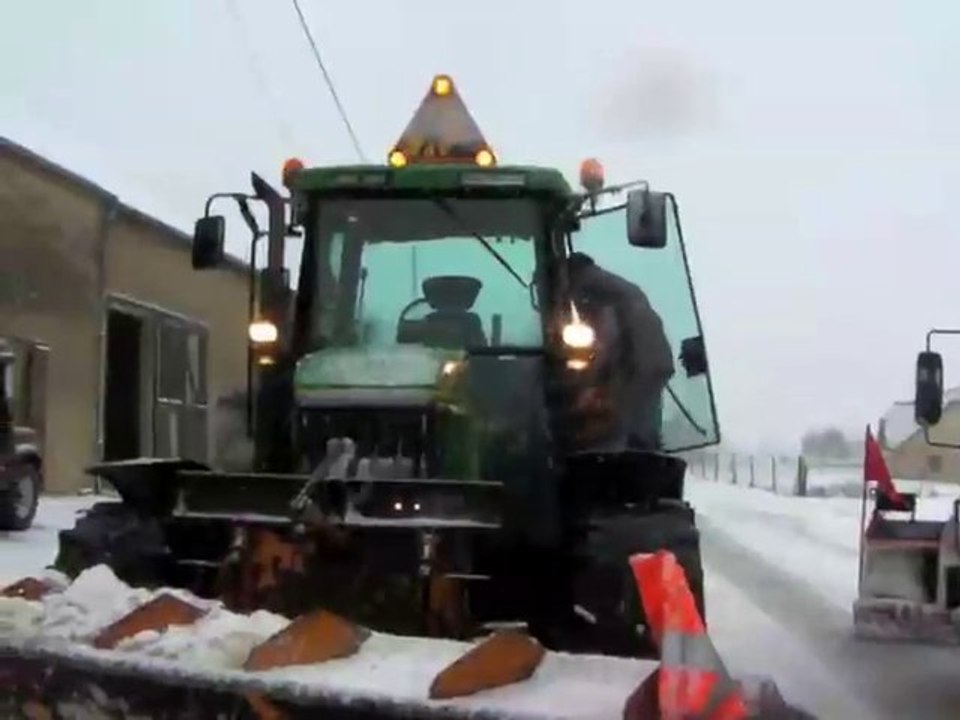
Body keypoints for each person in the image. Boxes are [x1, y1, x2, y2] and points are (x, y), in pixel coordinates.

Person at [565, 252, 674, 451]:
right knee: (641, 421)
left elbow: (608, 337)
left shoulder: (588, 286)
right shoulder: (613, 285)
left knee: (623, 427)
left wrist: (591, 377)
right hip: (655, 359)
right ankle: (647, 452)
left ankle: (636, 461)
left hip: (639, 364)